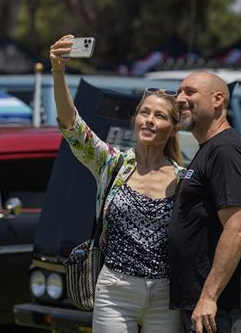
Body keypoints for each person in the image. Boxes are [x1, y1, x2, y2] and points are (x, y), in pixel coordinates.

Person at [50, 34, 184, 333]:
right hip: (115, 290)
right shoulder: (113, 163)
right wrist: (59, 72)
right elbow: (72, 127)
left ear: (174, 128)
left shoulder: (182, 178)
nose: (149, 120)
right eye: (144, 113)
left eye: (159, 116)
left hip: (165, 295)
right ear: (134, 120)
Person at [168, 72, 241, 333]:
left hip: (219, 307)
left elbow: (237, 228)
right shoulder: (210, 148)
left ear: (218, 99)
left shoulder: (225, 150)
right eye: (178, 92)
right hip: (202, 303)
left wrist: (209, 296)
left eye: (190, 92)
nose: (179, 99)